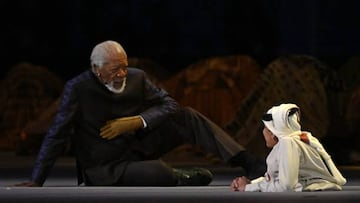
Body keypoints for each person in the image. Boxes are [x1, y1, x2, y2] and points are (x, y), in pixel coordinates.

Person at [15, 40, 265, 187]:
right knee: (158, 173)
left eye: (124, 67)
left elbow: (170, 106)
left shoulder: (137, 78)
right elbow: (57, 134)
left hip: (137, 145)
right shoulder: (77, 89)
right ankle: (179, 177)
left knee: (187, 115)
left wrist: (136, 121)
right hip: (106, 165)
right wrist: (37, 180)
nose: (122, 74)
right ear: (96, 69)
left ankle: (248, 162)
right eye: (115, 70)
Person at [231, 103, 347, 192]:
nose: (264, 132)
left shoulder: (288, 143)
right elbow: (276, 178)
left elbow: (286, 186)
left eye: (266, 128)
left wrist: (248, 188)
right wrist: (250, 183)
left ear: (274, 132)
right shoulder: (300, 138)